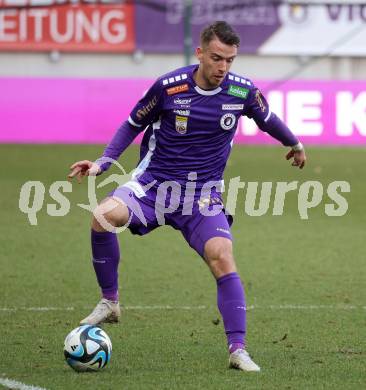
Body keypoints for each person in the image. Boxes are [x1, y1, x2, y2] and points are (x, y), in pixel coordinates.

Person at [68, 21, 306, 372]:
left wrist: (295, 143)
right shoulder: (169, 87)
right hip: (152, 187)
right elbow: (132, 123)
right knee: (103, 216)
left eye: (230, 60)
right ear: (200, 54)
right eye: (216, 58)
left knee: (222, 255)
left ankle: (237, 349)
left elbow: (267, 118)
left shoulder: (241, 92)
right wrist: (104, 162)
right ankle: (110, 302)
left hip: (202, 195)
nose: (223, 67)